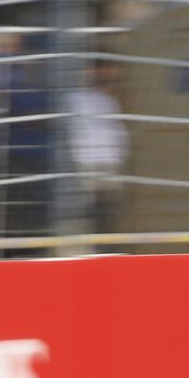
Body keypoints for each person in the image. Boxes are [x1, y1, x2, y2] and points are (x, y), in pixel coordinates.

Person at [65, 60, 130, 245]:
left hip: (109, 160)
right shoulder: (75, 97)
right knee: (88, 207)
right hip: (87, 160)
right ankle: (87, 246)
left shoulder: (107, 98)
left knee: (107, 208)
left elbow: (116, 129)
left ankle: (103, 245)